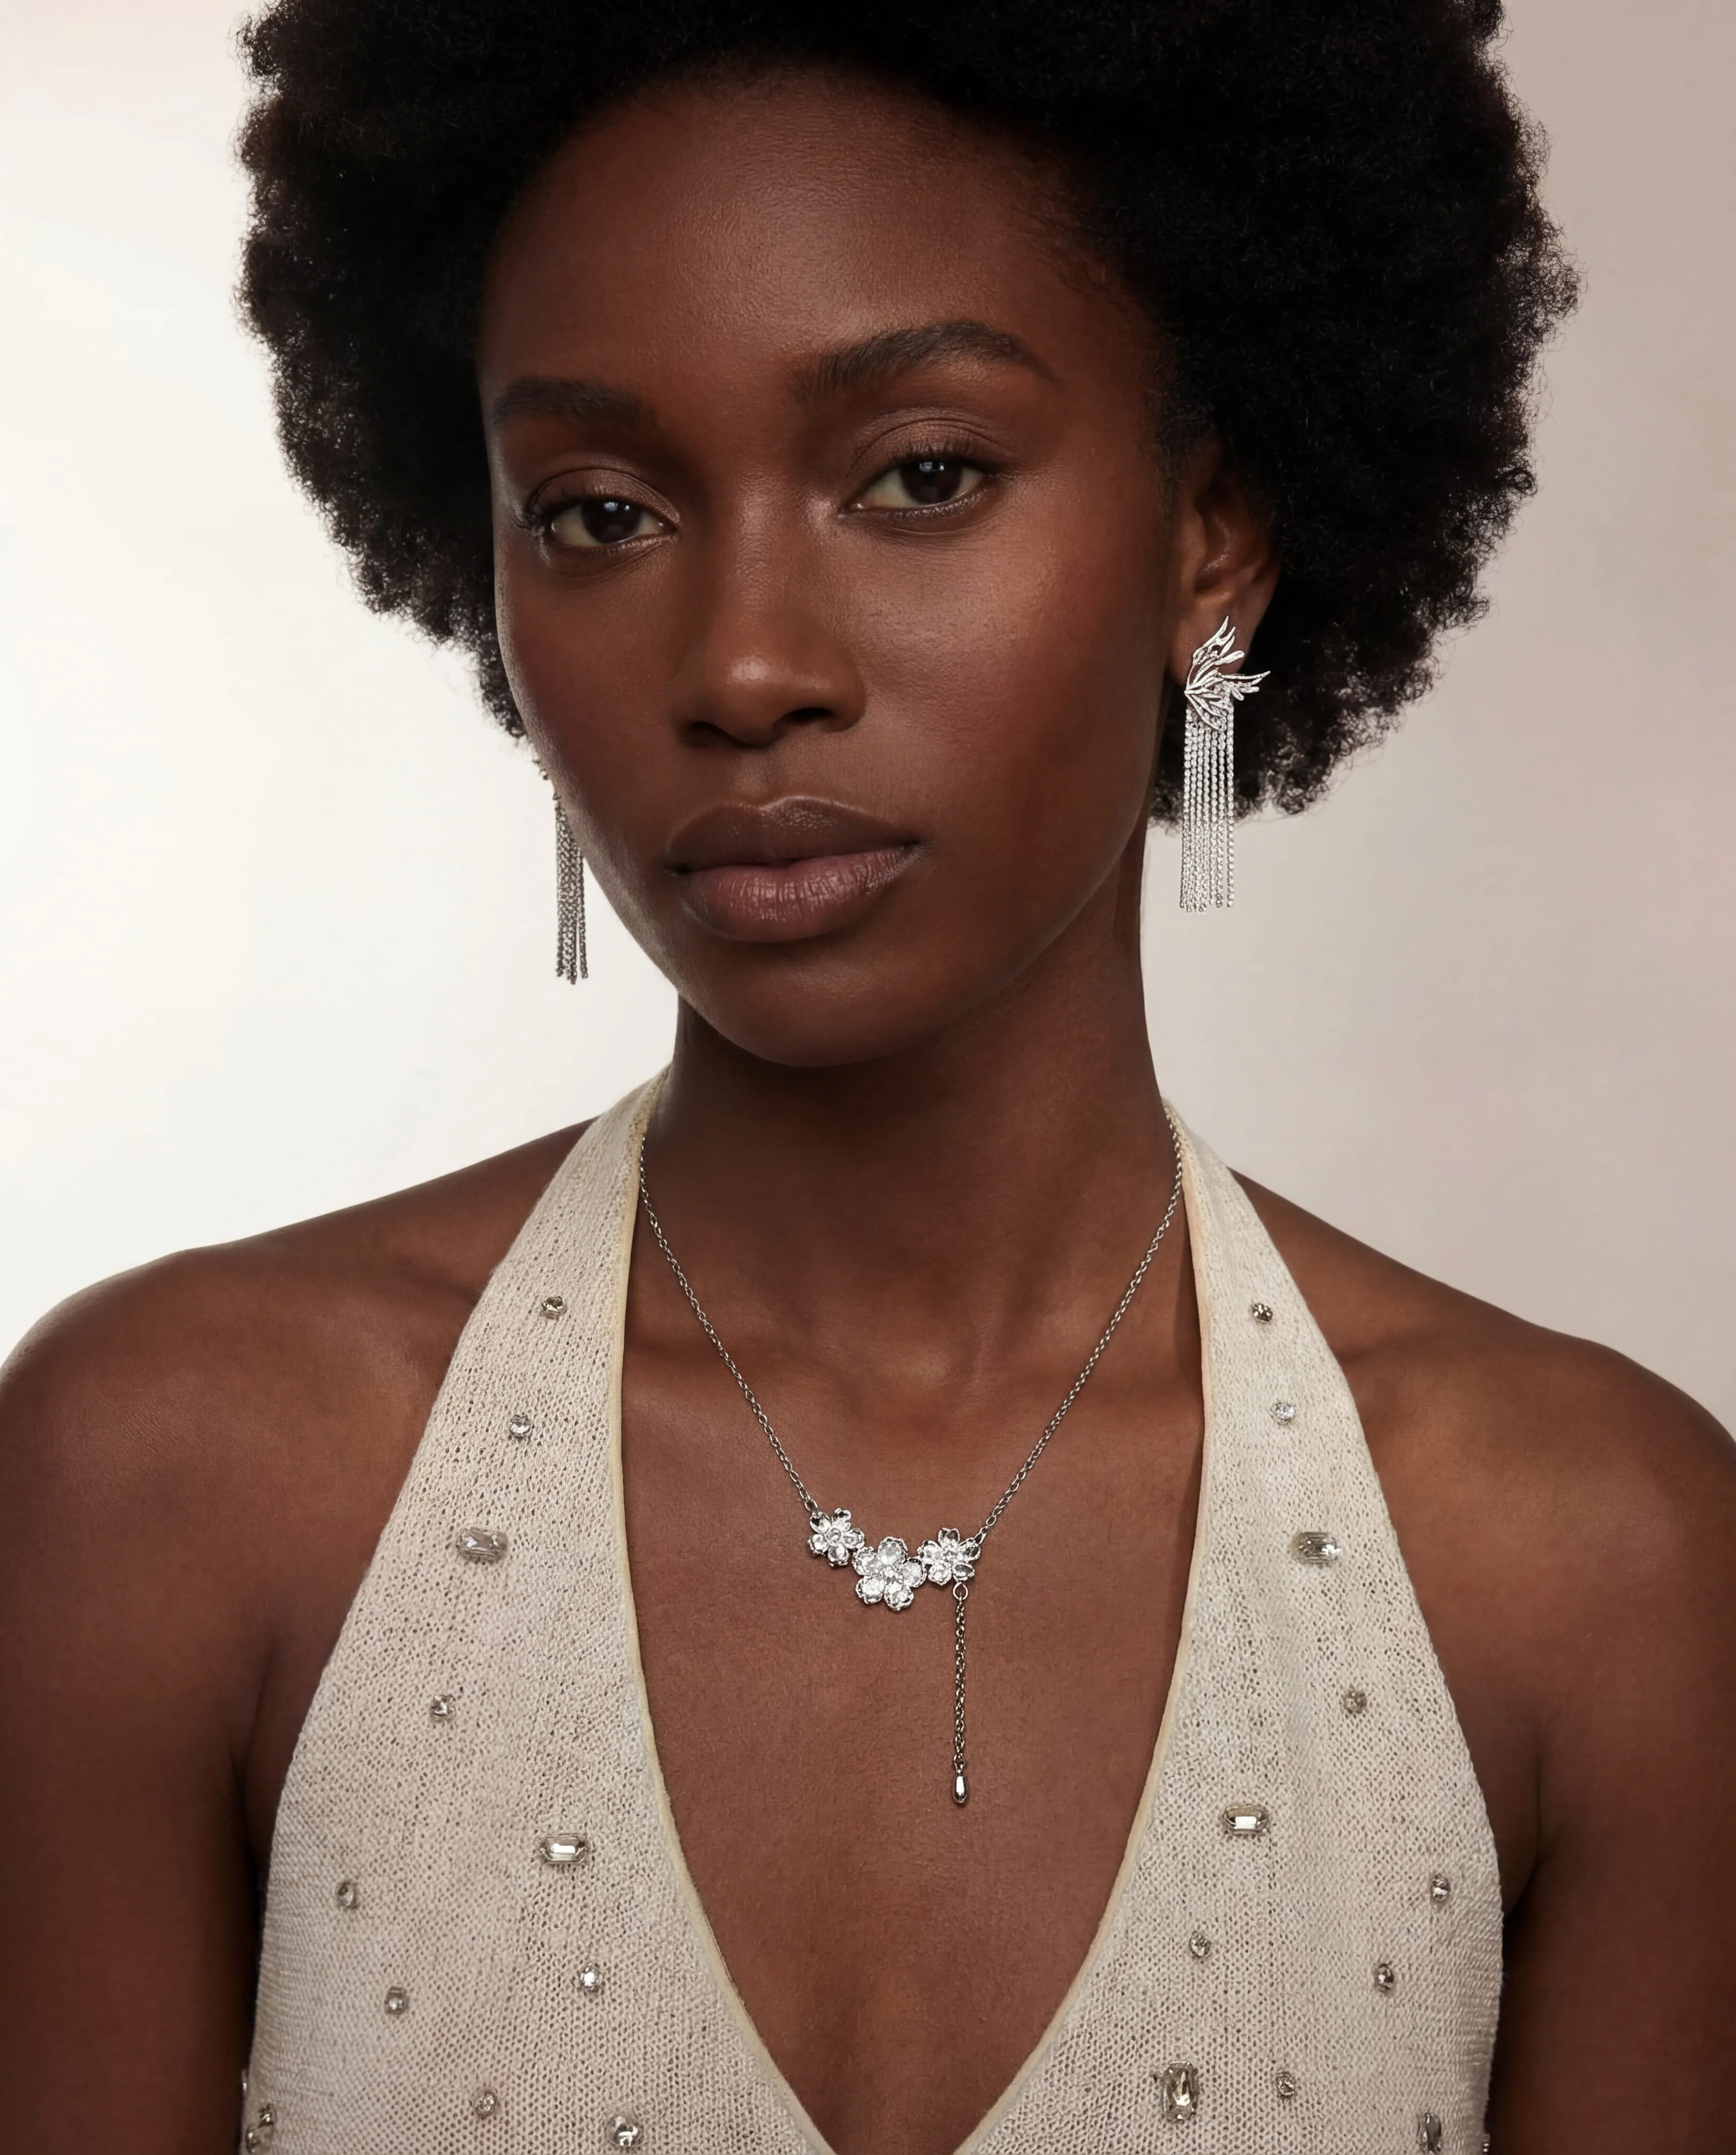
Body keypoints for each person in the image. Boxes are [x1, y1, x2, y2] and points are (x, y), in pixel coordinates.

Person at [2, 1, 1732, 2149]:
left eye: (920, 475)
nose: (743, 667)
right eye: (603, 510)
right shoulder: (174, 1482)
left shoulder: (1588, 1568)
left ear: (1211, 536)